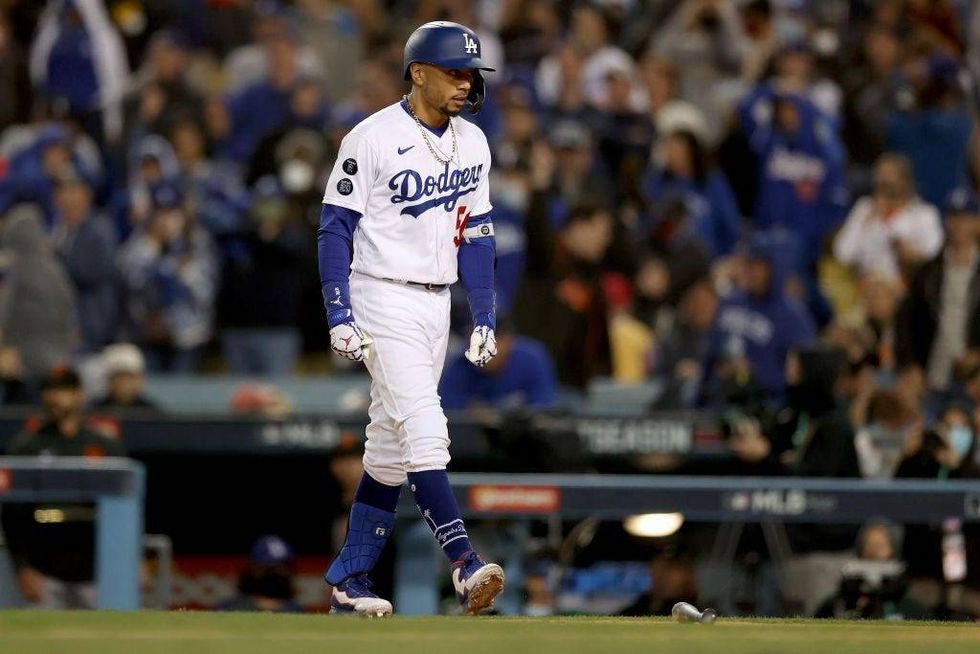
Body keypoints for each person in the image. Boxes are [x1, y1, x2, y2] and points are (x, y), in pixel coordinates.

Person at [316, 21, 503, 616]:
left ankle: (351, 575)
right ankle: (466, 563)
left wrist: (484, 315)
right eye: (453, 71)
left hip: (435, 301)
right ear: (417, 72)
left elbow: (477, 234)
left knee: (391, 447)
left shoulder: (473, 142)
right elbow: (333, 228)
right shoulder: (371, 137)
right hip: (380, 291)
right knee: (425, 427)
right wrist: (338, 308)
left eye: (470, 73)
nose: (465, 83)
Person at [0, 366, 126, 609]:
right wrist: (22, 567)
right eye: (50, 390)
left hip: (98, 570)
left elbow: (125, 506)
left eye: (64, 390)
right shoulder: (26, 446)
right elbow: (12, 514)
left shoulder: (104, 445)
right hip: (44, 570)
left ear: (79, 394)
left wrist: (133, 558)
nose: (56, 397)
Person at [896, 188, 980, 396]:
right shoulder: (929, 273)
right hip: (934, 376)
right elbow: (907, 320)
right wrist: (911, 365)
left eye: (965, 217)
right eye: (953, 216)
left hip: (975, 381)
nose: (958, 224)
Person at [833, 153, 943, 282]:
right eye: (880, 176)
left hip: (908, 289)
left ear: (904, 181)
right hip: (868, 288)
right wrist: (866, 221)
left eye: (889, 177)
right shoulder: (864, 208)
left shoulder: (924, 214)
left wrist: (912, 255)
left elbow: (935, 256)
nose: (883, 181)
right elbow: (842, 254)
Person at [439, 320, 558, 411]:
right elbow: (448, 414)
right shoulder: (460, 363)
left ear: (507, 340)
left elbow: (543, 411)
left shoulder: (531, 359)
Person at [216, 535, 303, 613]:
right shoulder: (228, 610)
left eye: (281, 568)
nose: (274, 573)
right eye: (267, 568)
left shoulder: (297, 612)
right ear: (252, 569)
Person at [91, 343, 160, 413]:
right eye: (119, 377)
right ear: (108, 381)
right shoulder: (94, 412)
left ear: (140, 380)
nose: (125, 383)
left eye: (130, 377)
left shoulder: (153, 414)